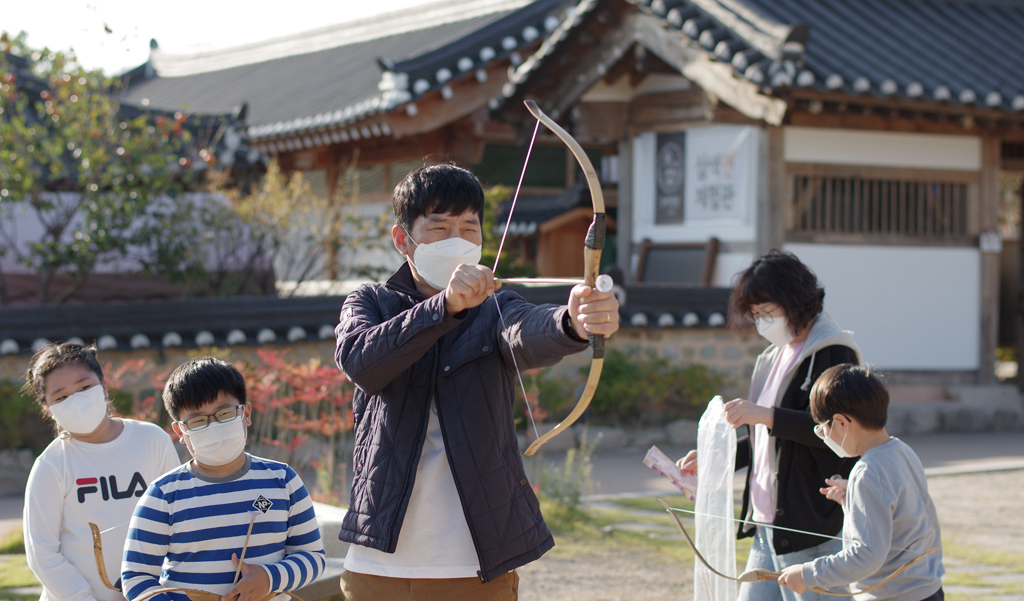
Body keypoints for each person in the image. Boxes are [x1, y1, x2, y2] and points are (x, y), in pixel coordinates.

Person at [334, 163, 620, 600]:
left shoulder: (497, 306)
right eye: (439, 226)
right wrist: (444, 307)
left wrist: (574, 322)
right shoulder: (371, 301)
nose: (457, 240)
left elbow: (529, 329)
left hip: (475, 562)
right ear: (402, 239)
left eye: (469, 228)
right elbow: (362, 362)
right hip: (378, 562)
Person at [677, 250, 862, 601]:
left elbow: (840, 434)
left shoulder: (833, 352)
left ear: (797, 302)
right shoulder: (773, 356)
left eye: (767, 312)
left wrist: (766, 415)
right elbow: (768, 441)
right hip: (766, 524)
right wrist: (717, 457)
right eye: (756, 314)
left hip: (810, 525)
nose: (761, 322)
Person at [121, 357, 326, 601]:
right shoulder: (163, 495)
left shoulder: (283, 481)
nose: (214, 425)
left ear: (246, 413)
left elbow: (312, 557)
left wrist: (270, 578)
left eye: (225, 413)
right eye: (198, 420)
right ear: (180, 432)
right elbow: (136, 576)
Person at [22, 341, 180, 601]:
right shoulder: (51, 465)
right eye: (61, 397)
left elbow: (178, 520)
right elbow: (42, 553)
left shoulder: (151, 440)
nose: (75, 400)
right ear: (48, 409)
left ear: (104, 387)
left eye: (84, 388)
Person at [777, 364, 944, 601]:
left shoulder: (867, 472)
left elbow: (866, 555)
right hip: (926, 589)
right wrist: (852, 498)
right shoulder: (901, 450)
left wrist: (807, 574)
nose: (823, 437)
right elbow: (903, 513)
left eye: (822, 430)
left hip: (894, 595)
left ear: (841, 422)